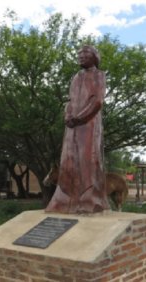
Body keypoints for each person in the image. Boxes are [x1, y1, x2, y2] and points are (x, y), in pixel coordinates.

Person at [45, 45, 110, 213]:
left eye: (85, 54)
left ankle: (89, 199)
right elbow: (69, 101)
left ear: (94, 57)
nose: (81, 56)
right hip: (71, 125)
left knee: (87, 158)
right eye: (79, 54)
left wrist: (80, 117)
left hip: (88, 125)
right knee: (68, 160)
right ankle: (64, 199)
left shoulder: (99, 75)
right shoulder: (75, 77)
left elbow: (97, 101)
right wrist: (67, 115)